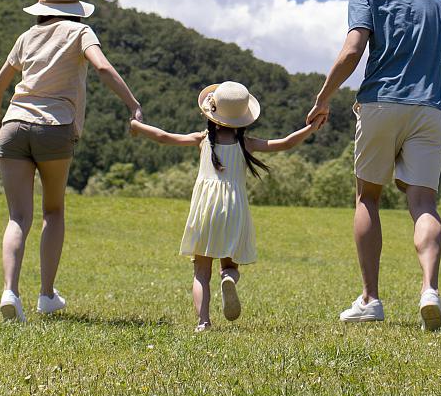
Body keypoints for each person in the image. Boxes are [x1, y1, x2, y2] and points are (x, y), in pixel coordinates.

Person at [305, 0, 441, 330]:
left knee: (368, 197)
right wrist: (428, 79)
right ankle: (430, 289)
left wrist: (323, 97)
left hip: (381, 103)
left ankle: (370, 299)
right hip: (430, 109)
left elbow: (352, 50)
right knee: (424, 204)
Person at [0, 0, 143, 322]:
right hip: (54, 127)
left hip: (13, 126)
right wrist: (133, 103)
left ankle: (10, 291)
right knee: (52, 212)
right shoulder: (80, 33)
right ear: (75, 9)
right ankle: (46, 295)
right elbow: (101, 67)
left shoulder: (26, 37)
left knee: (17, 217)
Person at [128, 82, 321, 331]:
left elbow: (164, 137)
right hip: (234, 207)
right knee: (229, 265)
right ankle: (229, 277)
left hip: (205, 207)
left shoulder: (202, 139)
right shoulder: (247, 144)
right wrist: (311, 127)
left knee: (201, 272)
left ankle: (203, 322)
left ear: (210, 113)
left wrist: (137, 125)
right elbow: (284, 143)